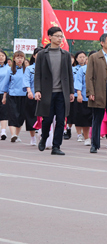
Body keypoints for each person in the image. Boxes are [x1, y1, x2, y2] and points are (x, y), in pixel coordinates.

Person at [34, 27, 74, 155]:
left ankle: (56, 146)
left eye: (61, 36)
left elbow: (69, 74)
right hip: (47, 93)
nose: (59, 38)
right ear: (50, 37)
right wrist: (37, 90)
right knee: (47, 120)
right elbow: (37, 74)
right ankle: (44, 138)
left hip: (62, 93)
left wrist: (71, 92)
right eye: (57, 36)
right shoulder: (42, 54)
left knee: (61, 120)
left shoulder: (65, 55)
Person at [86, 33, 107, 154]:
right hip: (98, 90)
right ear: (102, 42)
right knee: (97, 119)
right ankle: (94, 144)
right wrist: (90, 92)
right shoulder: (94, 57)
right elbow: (89, 76)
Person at [1, 51, 33, 143]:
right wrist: (4, 97)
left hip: (24, 96)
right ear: (14, 59)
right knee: (12, 115)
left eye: (22, 58)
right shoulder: (10, 70)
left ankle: (17, 135)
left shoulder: (27, 70)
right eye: (18, 58)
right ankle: (13, 135)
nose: (20, 60)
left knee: (21, 116)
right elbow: (6, 84)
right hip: (12, 96)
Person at [74, 51, 95, 146]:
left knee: (96, 119)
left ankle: (95, 137)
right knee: (85, 119)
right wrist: (79, 94)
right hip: (85, 97)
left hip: (98, 99)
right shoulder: (82, 69)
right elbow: (78, 82)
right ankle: (86, 138)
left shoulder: (101, 69)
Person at [23, 48, 43, 146]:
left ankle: (42, 134)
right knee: (31, 116)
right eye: (38, 54)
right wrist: (29, 91)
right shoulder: (29, 68)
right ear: (34, 56)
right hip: (32, 95)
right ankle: (32, 137)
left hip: (44, 96)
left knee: (43, 117)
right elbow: (26, 80)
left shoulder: (47, 68)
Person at [66, 51, 86, 141]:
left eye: (83, 57)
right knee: (74, 115)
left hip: (85, 95)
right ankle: (78, 133)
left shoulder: (88, 69)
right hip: (74, 95)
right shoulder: (72, 69)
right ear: (76, 59)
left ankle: (85, 133)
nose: (82, 59)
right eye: (80, 57)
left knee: (84, 115)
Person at [0, 50, 10, 140]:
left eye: (3, 56)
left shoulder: (9, 68)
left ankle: (3, 131)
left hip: (4, 94)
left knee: (4, 113)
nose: (1, 57)